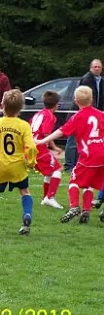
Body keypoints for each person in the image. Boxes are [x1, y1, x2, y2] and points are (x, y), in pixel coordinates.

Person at [36, 86, 104, 224]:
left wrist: (43, 141)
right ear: (91, 99)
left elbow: (60, 131)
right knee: (89, 183)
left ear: (75, 101)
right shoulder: (100, 114)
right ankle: (86, 210)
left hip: (88, 156)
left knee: (74, 181)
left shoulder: (77, 117)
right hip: (102, 155)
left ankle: (74, 207)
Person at [0, 89, 38, 235]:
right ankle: (27, 215)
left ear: (2, 105)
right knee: (24, 192)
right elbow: (31, 146)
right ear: (21, 107)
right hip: (18, 166)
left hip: (0, 165)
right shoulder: (24, 125)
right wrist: (31, 162)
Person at [64, 59, 103, 172]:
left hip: (92, 114)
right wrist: (94, 112)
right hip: (80, 112)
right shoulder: (87, 79)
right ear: (91, 68)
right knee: (72, 140)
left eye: (99, 67)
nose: (97, 69)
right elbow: (88, 97)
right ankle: (69, 165)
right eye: (95, 67)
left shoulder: (101, 80)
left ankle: (79, 163)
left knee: (84, 139)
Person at [29, 91, 64, 209]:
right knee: (58, 168)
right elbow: (46, 133)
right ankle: (50, 197)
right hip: (39, 147)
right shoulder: (50, 116)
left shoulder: (38, 114)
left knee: (50, 171)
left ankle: (45, 198)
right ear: (57, 104)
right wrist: (54, 147)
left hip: (30, 146)